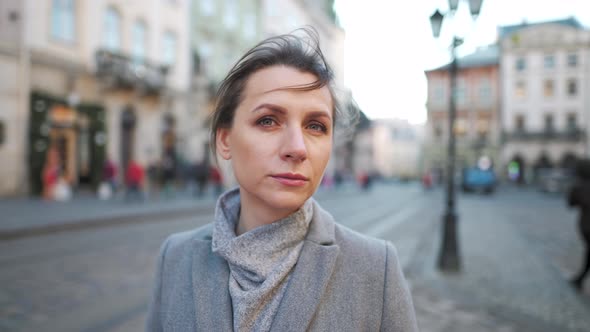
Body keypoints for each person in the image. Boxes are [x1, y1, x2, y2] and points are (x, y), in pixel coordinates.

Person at [146, 29, 418, 331]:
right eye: (268, 121)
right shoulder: (176, 256)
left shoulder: (375, 268)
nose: (297, 148)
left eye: (315, 126)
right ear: (225, 139)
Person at [569, 159, 590, 290]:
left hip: (586, 226)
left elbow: (571, 203)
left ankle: (580, 278)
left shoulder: (578, 187)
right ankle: (580, 278)